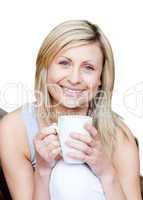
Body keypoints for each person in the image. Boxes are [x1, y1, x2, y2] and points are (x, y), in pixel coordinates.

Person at [0, 20, 142, 200]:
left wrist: (107, 172)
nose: (74, 79)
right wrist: (43, 171)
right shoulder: (14, 129)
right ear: (46, 67)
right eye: (64, 63)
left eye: (88, 68)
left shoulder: (119, 135)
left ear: (100, 78)